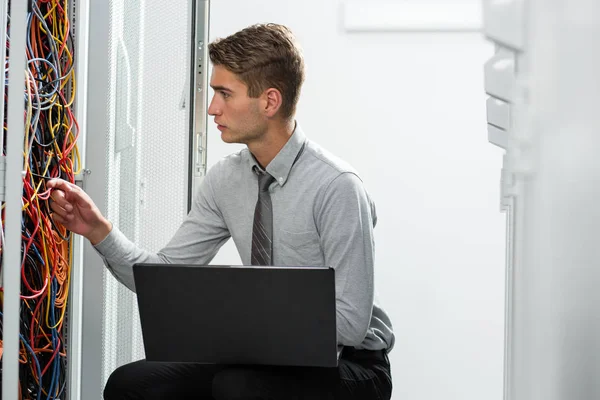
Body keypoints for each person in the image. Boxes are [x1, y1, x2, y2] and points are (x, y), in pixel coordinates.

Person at [47, 23, 394, 400]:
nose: (213, 108)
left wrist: (237, 324)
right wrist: (98, 230)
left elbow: (350, 323)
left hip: (352, 364)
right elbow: (164, 277)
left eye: (224, 94)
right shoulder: (226, 180)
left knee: (238, 387)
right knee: (131, 384)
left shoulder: (337, 187)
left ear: (270, 102)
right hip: (262, 353)